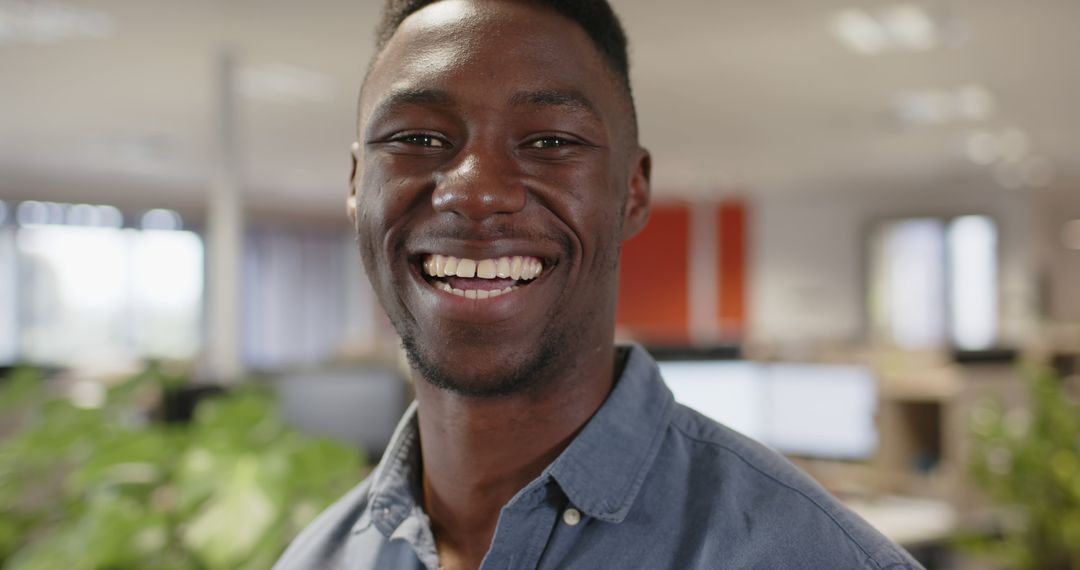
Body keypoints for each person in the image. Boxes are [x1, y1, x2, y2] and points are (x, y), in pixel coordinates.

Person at [275, 1, 923, 568]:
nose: (476, 191)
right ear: (358, 184)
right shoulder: (319, 559)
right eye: (417, 137)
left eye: (551, 140)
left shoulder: (810, 557)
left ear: (632, 191)